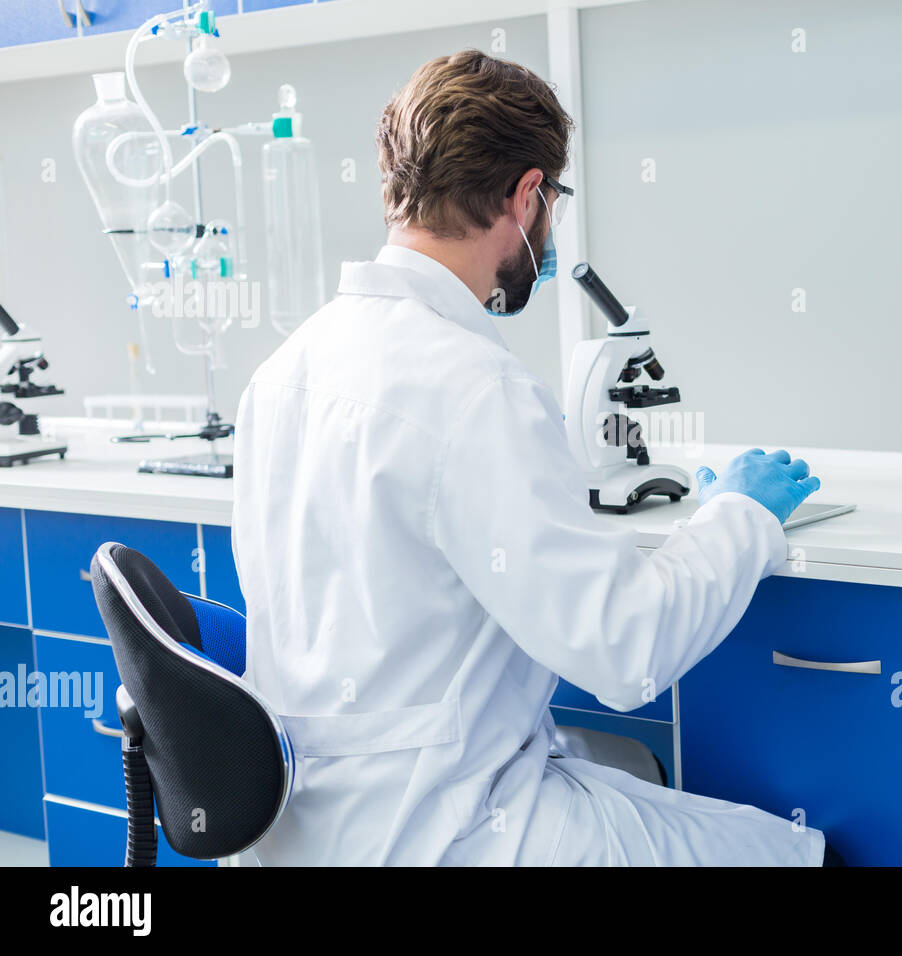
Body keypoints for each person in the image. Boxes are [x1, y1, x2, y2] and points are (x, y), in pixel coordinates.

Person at [233, 50, 825, 866]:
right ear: (525, 195)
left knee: (628, 778)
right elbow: (624, 651)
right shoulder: (475, 386)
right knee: (793, 851)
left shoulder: (281, 371)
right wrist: (742, 517)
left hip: (302, 830)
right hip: (447, 831)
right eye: (551, 203)